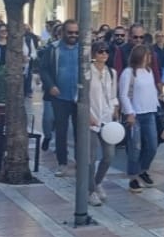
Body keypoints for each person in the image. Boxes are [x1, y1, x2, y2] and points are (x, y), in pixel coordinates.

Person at [39, 20, 81, 176]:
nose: (73, 35)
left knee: (80, 132)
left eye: (76, 32)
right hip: (60, 97)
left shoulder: (83, 49)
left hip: (79, 97)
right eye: (70, 32)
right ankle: (62, 163)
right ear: (63, 33)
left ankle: (80, 162)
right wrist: (51, 86)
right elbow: (43, 69)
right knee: (61, 131)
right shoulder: (53, 48)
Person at [119, 45, 160, 193]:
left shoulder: (149, 71)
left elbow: (152, 91)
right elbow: (123, 94)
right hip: (135, 115)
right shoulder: (128, 73)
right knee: (135, 148)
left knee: (152, 145)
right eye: (146, 55)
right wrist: (129, 112)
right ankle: (133, 177)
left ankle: (143, 169)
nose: (149, 58)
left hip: (150, 112)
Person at [87, 41, 118, 206]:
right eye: (100, 51)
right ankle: (90, 191)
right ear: (94, 54)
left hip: (107, 120)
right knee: (90, 158)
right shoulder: (87, 72)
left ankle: (97, 182)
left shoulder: (111, 73)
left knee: (109, 155)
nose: (104, 54)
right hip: (91, 119)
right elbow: (79, 96)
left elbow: (113, 96)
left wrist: (115, 109)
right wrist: (88, 115)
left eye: (106, 51)